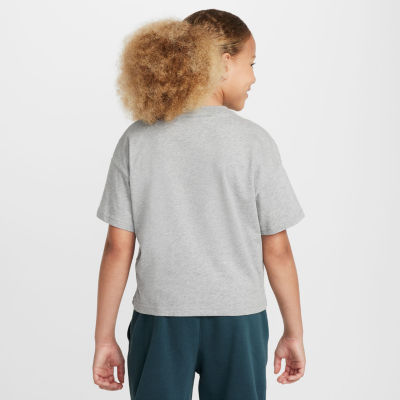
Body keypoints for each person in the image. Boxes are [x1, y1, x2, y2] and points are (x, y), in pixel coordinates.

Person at [92, 9, 306, 400]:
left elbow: (117, 248)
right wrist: (293, 333)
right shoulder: (254, 143)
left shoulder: (137, 140)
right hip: (239, 319)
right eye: (251, 64)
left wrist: (104, 338)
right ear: (225, 63)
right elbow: (277, 250)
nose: (254, 77)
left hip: (160, 318)